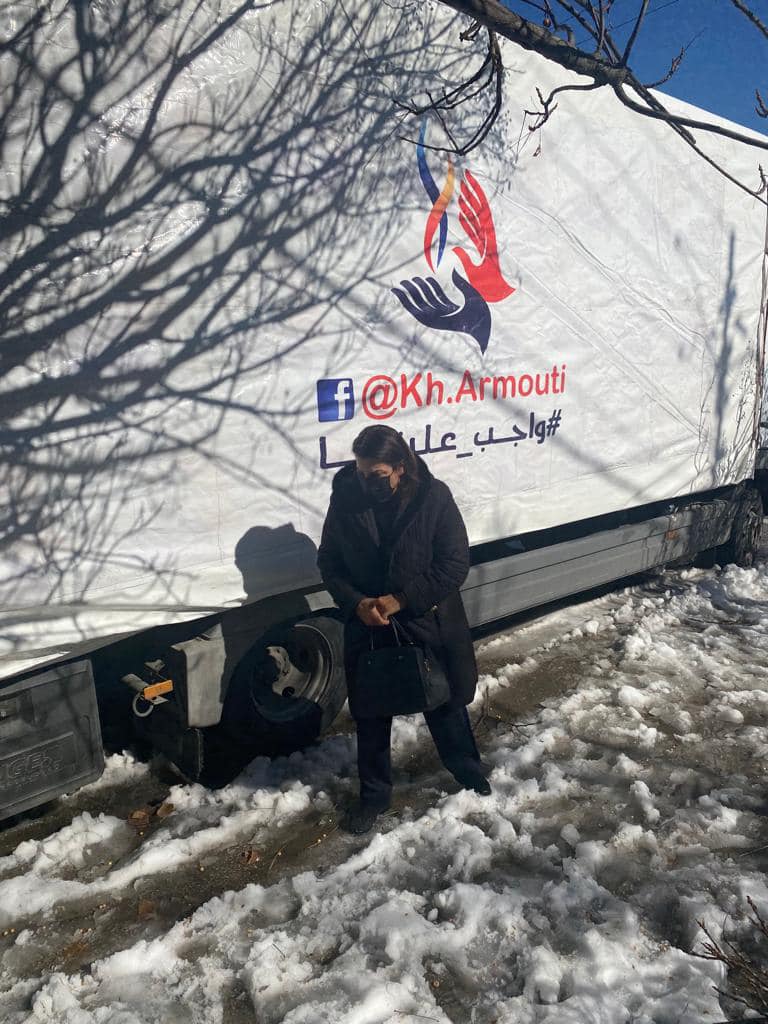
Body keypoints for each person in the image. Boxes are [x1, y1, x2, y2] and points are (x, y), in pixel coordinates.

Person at [317, 424, 490, 835]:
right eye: (361, 472)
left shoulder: (433, 497)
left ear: (400, 467)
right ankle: (374, 797)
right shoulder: (345, 499)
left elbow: (454, 563)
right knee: (371, 716)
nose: (366, 482)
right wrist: (357, 603)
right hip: (368, 624)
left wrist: (402, 599)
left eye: (376, 475)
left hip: (425, 619)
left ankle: (468, 772)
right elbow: (329, 563)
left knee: (443, 702)